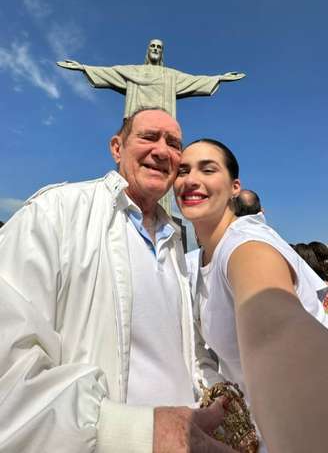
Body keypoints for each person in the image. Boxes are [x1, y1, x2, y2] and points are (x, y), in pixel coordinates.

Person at [0, 111, 235, 453]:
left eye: (173, 144)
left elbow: (184, 350)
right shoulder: (55, 213)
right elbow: (8, 365)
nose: (161, 150)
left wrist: (216, 394)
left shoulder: (174, 240)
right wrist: (134, 432)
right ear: (116, 148)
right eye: (148, 137)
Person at [174, 138, 328, 453]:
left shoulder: (245, 244)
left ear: (234, 186)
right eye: (182, 170)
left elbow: (276, 330)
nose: (191, 179)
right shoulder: (199, 260)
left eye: (208, 169)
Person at [57, 38, 245, 119]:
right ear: (148, 50)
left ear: (162, 52)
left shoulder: (171, 75)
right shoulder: (133, 70)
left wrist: (219, 78)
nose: (155, 49)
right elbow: (110, 72)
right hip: (135, 124)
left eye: (159, 47)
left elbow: (194, 80)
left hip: (164, 124)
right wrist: (83, 67)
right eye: (152, 46)